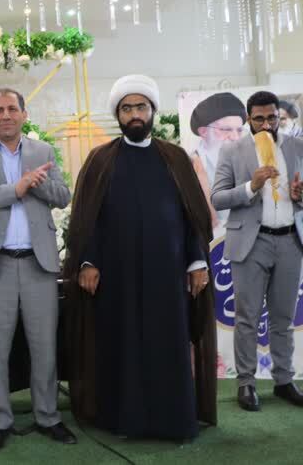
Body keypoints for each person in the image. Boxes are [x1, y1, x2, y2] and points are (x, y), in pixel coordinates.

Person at [63, 75, 218, 440]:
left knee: (168, 342)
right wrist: (88, 261)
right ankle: (125, 419)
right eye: (127, 108)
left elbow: (192, 215)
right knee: (123, 343)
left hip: (168, 273)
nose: (134, 114)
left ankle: (172, 421)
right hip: (118, 274)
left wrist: (197, 261)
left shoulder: (174, 158)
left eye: (141, 107)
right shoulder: (101, 160)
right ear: (117, 115)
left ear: (152, 111)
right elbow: (87, 218)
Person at [0, 88, 75, 452]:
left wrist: (37, 186)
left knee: (44, 346)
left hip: (39, 263)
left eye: (12, 109)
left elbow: (63, 196)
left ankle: (48, 416)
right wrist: (16, 188)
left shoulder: (43, 152)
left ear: (24, 114)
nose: (5, 115)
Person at [211, 90, 303, 412]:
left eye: (272, 118)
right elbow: (217, 198)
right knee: (247, 318)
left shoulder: (297, 147)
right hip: (251, 242)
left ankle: (283, 380)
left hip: (290, 241)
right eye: (259, 118)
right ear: (248, 119)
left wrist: (300, 195)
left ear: (280, 117)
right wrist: (251, 186)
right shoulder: (232, 150)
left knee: (283, 318)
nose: (266, 124)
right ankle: (246, 383)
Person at [189, 92, 247, 229]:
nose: (235, 137)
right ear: (203, 132)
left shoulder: (246, 159)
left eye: (239, 130)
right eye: (226, 130)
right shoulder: (189, 167)